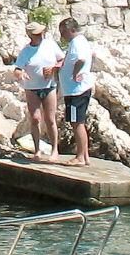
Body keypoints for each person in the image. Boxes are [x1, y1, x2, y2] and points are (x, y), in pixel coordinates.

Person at [6, 19, 61, 158]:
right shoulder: (26, 51)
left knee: (50, 119)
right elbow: (17, 69)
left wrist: (54, 67)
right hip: (31, 88)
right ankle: (37, 150)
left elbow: (62, 59)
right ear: (31, 35)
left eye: (41, 33)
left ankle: (55, 150)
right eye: (37, 34)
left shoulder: (50, 45)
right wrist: (21, 74)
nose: (40, 35)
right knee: (35, 118)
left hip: (49, 86)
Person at [56, 16, 96, 168]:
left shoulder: (77, 43)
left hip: (76, 91)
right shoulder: (81, 42)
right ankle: (84, 156)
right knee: (79, 122)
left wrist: (74, 74)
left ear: (72, 30)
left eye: (63, 32)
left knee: (76, 122)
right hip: (78, 90)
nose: (62, 36)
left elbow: (81, 60)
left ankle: (80, 157)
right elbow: (90, 55)